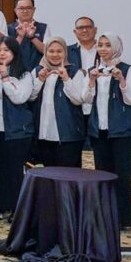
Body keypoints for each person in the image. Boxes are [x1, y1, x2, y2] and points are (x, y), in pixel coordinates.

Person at [83, 33, 131, 229]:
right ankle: (104, 217)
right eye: (100, 45)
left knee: (122, 175)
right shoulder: (93, 70)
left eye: (108, 45)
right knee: (102, 175)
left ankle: (124, 219)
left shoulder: (126, 69)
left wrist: (121, 79)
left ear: (116, 47)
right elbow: (85, 98)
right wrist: (91, 80)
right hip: (100, 130)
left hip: (121, 131)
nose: (103, 49)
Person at [0, 37, 34, 221]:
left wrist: (5, 77)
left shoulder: (24, 74)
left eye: (6, 50)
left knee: (14, 171)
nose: (2, 53)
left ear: (15, 52)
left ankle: (16, 208)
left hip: (16, 130)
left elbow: (19, 98)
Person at [30, 37, 87, 167]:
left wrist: (66, 78)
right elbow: (31, 98)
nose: (55, 55)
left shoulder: (75, 72)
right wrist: (40, 80)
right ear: (45, 52)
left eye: (59, 51)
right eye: (51, 51)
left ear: (65, 53)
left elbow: (78, 100)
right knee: (46, 173)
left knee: (67, 174)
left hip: (68, 135)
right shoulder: (37, 71)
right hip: (43, 134)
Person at [68, 16, 98, 121]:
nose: (85, 30)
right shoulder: (66, 52)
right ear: (75, 32)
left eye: (88, 27)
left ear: (95, 30)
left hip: (99, 105)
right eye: (80, 28)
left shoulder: (105, 51)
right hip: (74, 107)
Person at [7, 0, 49, 71]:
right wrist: (20, 36)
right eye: (21, 8)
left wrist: (32, 37)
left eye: (28, 8)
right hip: (14, 72)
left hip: (38, 72)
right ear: (15, 10)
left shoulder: (43, 27)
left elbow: (48, 51)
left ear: (34, 10)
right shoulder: (8, 28)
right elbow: (6, 53)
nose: (25, 11)